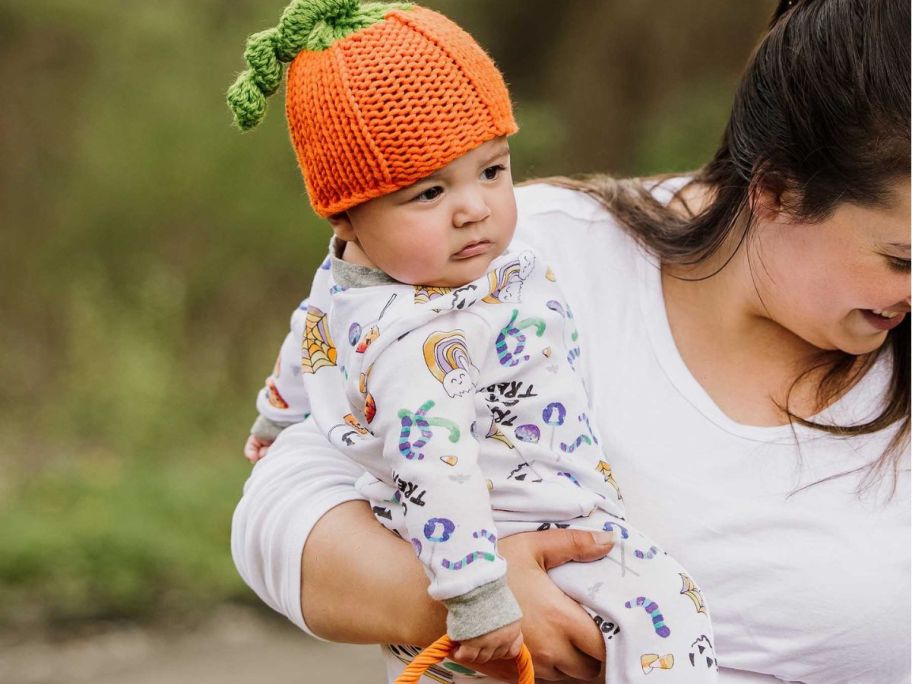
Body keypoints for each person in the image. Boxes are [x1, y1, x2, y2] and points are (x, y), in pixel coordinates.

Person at [231, 0, 910, 682]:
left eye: (492, 170)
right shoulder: (502, 267)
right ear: (777, 192)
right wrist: (473, 604)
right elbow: (284, 502)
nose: (471, 204)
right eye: (901, 260)